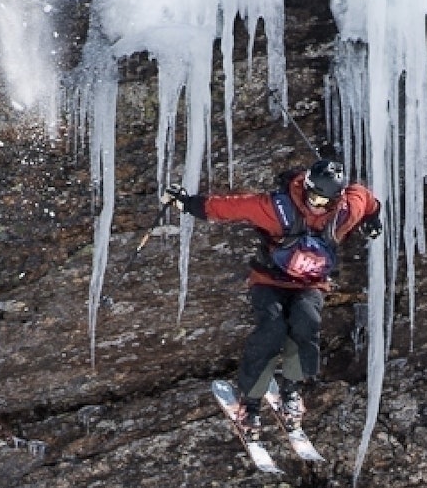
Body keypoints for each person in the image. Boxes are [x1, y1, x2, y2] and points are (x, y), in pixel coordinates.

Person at [162, 158, 382, 439]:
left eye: (325, 200)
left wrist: (373, 220)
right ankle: (250, 403)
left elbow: (367, 200)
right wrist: (188, 203)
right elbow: (232, 207)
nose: (317, 204)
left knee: (307, 324)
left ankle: (291, 390)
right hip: (269, 279)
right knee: (272, 329)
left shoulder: (346, 210)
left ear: (337, 199)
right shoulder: (277, 207)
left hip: (311, 284)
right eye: (313, 195)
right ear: (306, 186)